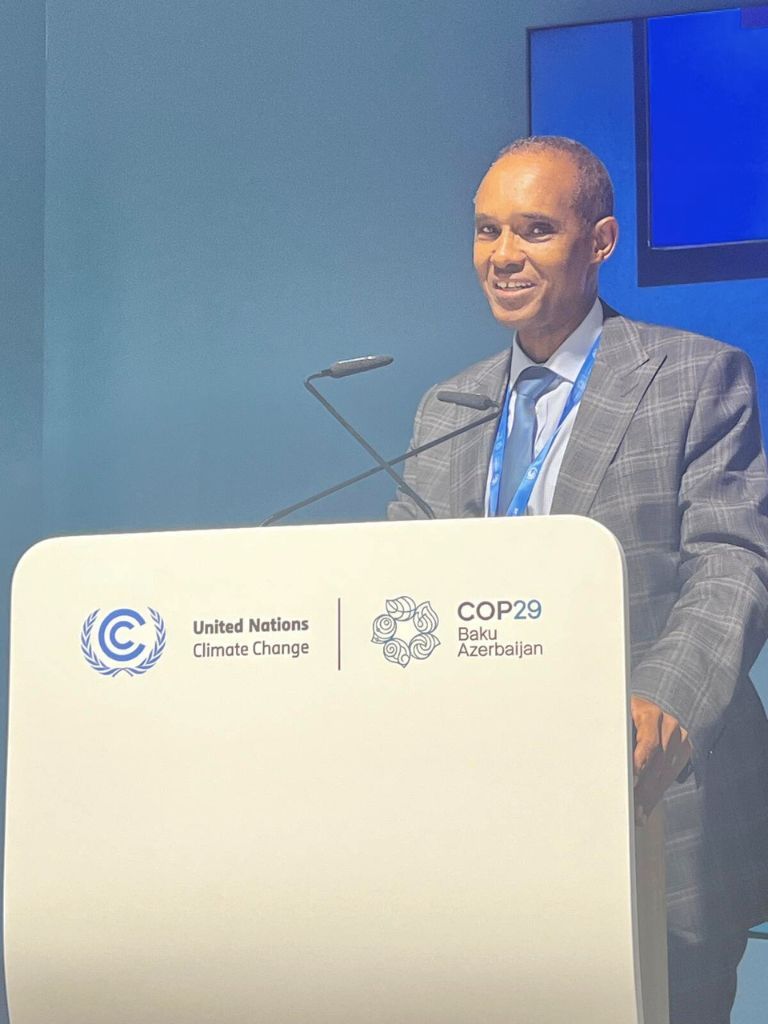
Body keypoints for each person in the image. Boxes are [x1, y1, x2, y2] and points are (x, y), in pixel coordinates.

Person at [388, 136, 768, 1024]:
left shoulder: (695, 377)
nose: (504, 256)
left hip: (658, 801)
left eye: (534, 229)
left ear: (599, 242)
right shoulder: (451, 406)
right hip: (486, 814)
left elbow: (735, 561)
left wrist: (665, 701)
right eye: (488, 231)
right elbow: (401, 589)